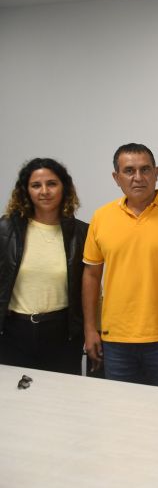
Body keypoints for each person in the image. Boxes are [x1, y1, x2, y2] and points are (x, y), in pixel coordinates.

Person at [82, 143, 158, 388]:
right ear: (116, 178)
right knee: (120, 408)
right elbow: (91, 276)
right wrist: (90, 329)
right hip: (115, 339)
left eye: (145, 169)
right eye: (129, 171)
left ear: (156, 173)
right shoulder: (101, 217)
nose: (138, 177)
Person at [0, 158, 88, 375]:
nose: (44, 191)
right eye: (36, 185)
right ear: (26, 191)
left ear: (64, 188)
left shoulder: (81, 233)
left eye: (52, 184)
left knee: (60, 394)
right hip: (13, 333)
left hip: (63, 334)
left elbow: (89, 289)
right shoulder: (5, 229)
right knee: (14, 393)